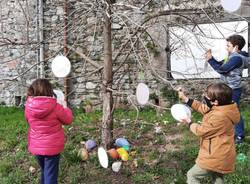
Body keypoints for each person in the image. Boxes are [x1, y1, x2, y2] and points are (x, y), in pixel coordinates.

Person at [178, 82, 240, 184]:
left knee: (192, 175)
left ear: (215, 102)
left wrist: (189, 122)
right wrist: (186, 99)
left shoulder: (220, 117)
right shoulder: (225, 107)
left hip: (214, 155)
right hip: (223, 154)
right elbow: (203, 108)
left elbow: (201, 131)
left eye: (207, 96)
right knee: (217, 177)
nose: (205, 97)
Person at [25, 79, 73, 184]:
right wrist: (65, 107)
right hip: (52, 147)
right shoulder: (56, 107)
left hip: (37, 146)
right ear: (49, 90)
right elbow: (68, 120)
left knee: (45, 171)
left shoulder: (28, 107)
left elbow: (29, 121)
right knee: (50, 175)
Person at [205, 34, 248, 144]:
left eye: (228, 45)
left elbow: (223, 69)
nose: (226, 47)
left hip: (233, 90)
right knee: (223, 110)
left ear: (236, 47)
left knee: (234, 112)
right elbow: (221, 64)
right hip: (226, 88)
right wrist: (212, 58)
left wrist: (210, 60)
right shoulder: (231, 56)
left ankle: (239, 137)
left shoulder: (237, 58)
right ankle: (226, 131)